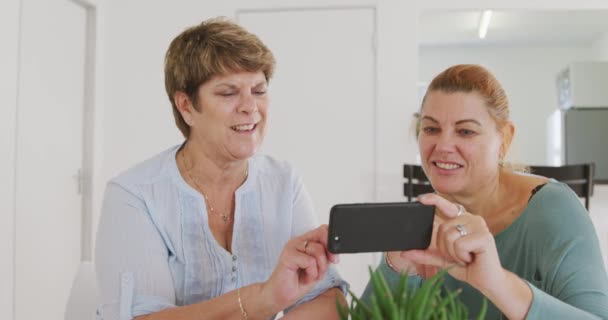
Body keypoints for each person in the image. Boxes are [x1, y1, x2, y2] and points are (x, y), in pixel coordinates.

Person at [95, 18, 347, 320]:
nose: (249, 107)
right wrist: (263, 300)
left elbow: (325, 298)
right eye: (228, 93)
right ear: (186, 106)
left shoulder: (284, 183)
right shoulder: (134, 196)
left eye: (259, 90)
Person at [363, 64, 608, 319]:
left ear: (505, 138)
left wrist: (497, 283)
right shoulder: (422, 220)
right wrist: (396, 265)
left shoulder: (555, 210)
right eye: (431, 128)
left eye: (465, 131)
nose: (443, 145)